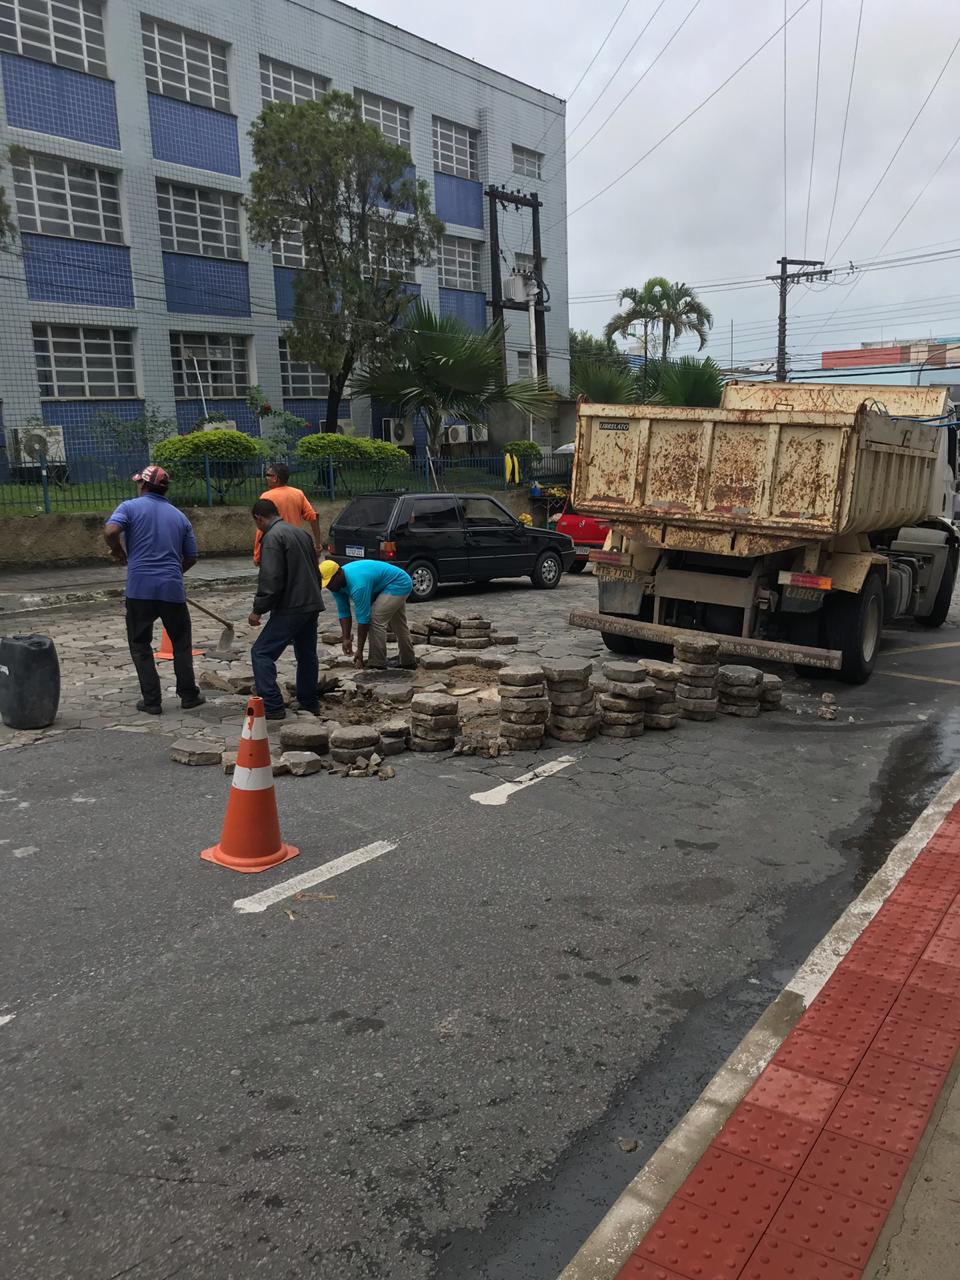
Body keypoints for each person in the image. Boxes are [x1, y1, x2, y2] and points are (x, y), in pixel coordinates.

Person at [103, 464, 205, 716]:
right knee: (181, 645)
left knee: (140, 644)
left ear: (143, 485)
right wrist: (172, 574)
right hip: (171, 590)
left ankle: (152, 701)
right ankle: (189, 696)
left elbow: (111, 530)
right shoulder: (180, 516)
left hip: (140, 590)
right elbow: (191, 557)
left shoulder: (129, 507)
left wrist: (117, 550)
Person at [249, 498, 325, 720]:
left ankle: (272, 705)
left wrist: (258, 609)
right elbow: (315, 569)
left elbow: (271, 578)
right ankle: (309, 703)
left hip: (291, 605)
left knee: (261, 653)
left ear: (259, 518)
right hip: (310, 602)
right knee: (307, 654)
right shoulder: (300, 533)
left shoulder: (272, 538)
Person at [319, 559, 416, 671]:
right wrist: (346, 639)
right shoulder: (336, 586)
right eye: (326, 584)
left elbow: (364, 620)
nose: (329, 586)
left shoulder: (358, 585)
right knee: (399, 625)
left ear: (339, 573)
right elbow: (344, 612)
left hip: (398, 583)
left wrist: (359, 651)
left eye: (330, 582)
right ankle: (408, 662)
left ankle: (377, 663)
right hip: (385, 584)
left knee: (375, 620)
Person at [252, 463, 319, 565]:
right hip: (296, 545)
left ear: (275, 478)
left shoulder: (267, 497)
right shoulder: (298, 493)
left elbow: (261, 528)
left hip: (275, 547)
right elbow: (313, 517)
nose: (266, 478)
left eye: (268, 475)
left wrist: (257, 555)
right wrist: (318, 545)